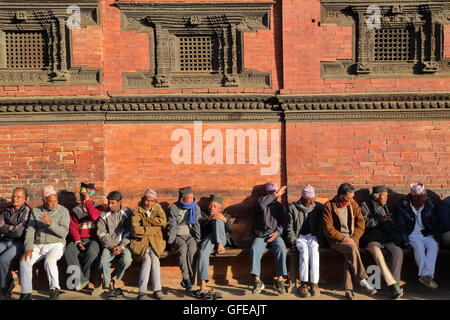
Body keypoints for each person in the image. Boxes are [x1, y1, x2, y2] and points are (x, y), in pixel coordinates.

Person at [322, 183, 377, 300]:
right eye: (348, 198)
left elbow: (361, 223)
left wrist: (354, 238)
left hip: (352, 238)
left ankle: (348, 289)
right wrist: (343, 238)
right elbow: (328, 229)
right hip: (336, 240)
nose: (351, 200)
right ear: (341, 196)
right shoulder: (329, 206)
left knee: (350, 254)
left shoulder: (353, 204)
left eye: (352, 198)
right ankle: (362, 280)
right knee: (351, 249)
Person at [19, 186, 70, 300]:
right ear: (43, 201)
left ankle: (54, 290)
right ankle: (26, 293)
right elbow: (30, 230)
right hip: (38, 245)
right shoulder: (36, 211)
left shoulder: (63, 211)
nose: (53, 204)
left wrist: (50, 223)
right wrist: (28, 248)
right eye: (50, 201)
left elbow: (64, 233)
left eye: (55, 201)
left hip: (56, 244)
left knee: (49, 261)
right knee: (24, 261)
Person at [360, 185, 403, 299]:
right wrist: (379, 220)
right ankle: (391, 284)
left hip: (386, 239)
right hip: (372, 239)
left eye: (387, 196)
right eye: (384, 196)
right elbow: (363, 224)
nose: (386, 198)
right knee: (377, 251)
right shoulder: (365, 206)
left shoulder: (386, 207)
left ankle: (396, 285)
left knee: (398, 251)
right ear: (376, 196)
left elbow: (393, 226)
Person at [395, 183, 440, 289]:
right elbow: (401, 226)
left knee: (434, 245)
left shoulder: (429, 204)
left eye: (425, 196)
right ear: (414, 197)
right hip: (411, 235)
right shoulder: (403, 206)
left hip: (425, 234)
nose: (425, 199)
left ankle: (426, 275)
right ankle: (426, 276)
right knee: (418, 247)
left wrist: (436, 236)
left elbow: (435, 223)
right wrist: (405, 241)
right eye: (422, 197)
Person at [286, 184, 324, 297]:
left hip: (313, 236)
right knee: (304, 253)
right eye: (308, 199)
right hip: (299, 236)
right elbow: (289, 226)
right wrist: (292, 240)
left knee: (314, 252)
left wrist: (320, 240)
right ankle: (303, 284)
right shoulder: (293, 207)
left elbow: (322, 226)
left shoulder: (318, 207)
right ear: (302, 198)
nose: (310, 201)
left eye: (312, 198)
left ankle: (314, 283)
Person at [251, 182, 288, 295]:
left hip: (274, 235)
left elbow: (283, 223)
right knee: (254, 248)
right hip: (261, 235)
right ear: (267, 193)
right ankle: (257, 281)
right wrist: (275, 195)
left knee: (281, 248)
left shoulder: (280, 207)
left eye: (275, 192)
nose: (274, 194)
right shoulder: (261, 202)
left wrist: (277, 233)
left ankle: (279, 280)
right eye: (271, 193)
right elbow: (262, 204)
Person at [64, 182, 103, 291]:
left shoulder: (98, 208)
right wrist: (77, 241)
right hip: (79, 239)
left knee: (93, 252)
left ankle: (82, 281)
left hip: (93, 239)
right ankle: (81, 280)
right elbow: (73, 228)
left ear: (92, 196)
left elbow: (94, 217)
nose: (82, 199)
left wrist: (88, 203)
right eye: (81, 196)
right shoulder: (75, 210)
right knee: (68, 251)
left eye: (85, 196)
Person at [193, 194, 232, 299]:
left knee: (218, 220)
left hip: (222, 239)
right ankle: (202, 286)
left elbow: (230, 230)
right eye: (211, 206)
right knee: (202, 253)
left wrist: (224, 220)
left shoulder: (225, 215)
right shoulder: (204, 215)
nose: (211, 208)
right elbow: (199, 228)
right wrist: (209, 219)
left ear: (219, 207)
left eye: (214, 206)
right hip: (209, 239)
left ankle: (219, 243)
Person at [131, 189, 166, 300]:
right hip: (141, 242)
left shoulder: (158, 208)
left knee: (155, 260)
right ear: (143, 199)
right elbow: (136, 230)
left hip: (155, 242)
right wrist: (153, 229)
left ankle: (157, 290)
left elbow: (163, 222)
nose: (149, 203)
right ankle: (142, 292)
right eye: (147, 200)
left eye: (152, 201)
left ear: (155, 201)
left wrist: (147, 221)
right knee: (147, 260)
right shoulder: (137, 210)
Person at [97, 191, 133, 298]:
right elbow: (101, 233)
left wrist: (121, 246)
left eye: (112, 203)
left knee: (127, 260)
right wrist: (111, 246)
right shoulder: (104, 214)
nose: (109, 205)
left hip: (123, 245)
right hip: (109, 245)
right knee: (103, 261)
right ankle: (109, 287)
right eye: (109, 202)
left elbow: (130, 232)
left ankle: (113, 278)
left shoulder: (127, 213)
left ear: (119, 202)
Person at [166, 186, 202, 293]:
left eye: (193, 198)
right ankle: (186, 279)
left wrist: (198, 240)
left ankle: (188, 280)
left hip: (190, 236)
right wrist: (171, 242)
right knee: (182, 250)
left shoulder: (195, 207)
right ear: (182, 199)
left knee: (192, 250)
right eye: (190, 198)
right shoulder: (174, 208)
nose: (192, 200)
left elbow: (197, 225)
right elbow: (171, 226)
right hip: (178, 236)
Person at [0, 188, 31, 299]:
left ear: (24, 198)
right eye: (13, 196)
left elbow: (18, 232)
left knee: (3, 259)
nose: (15, 199)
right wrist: (8, 227)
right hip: (5, 240)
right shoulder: (8, 209)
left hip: (19, 243)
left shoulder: (27, 211)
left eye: (18, 197)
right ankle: (9, 281)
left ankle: (5, 286)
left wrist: (4, 229)